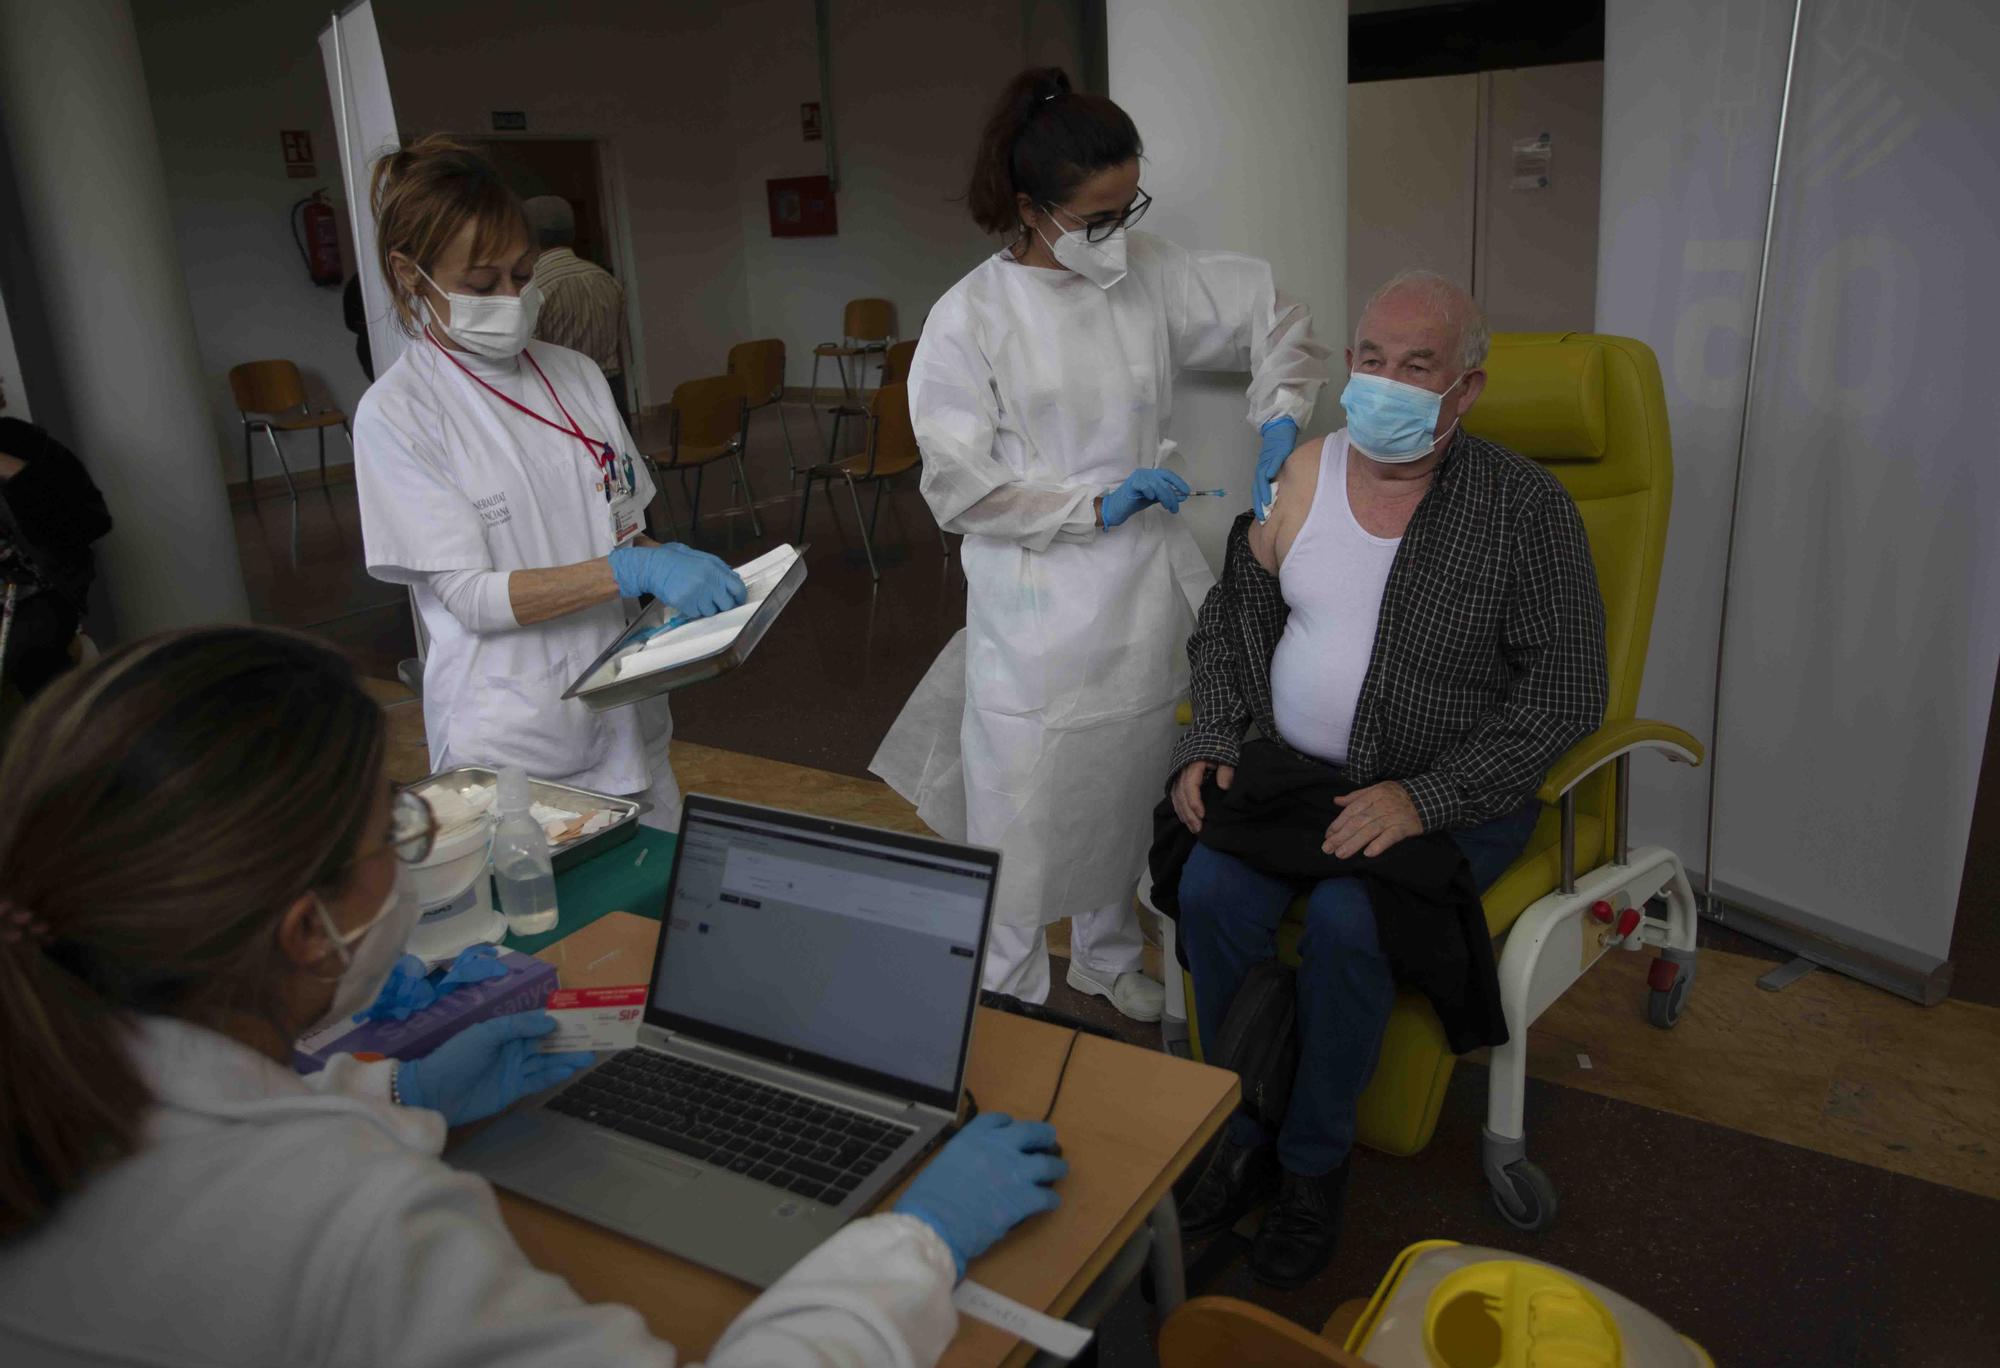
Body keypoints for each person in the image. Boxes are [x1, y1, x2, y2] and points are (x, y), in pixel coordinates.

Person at [0, 626, 1068, 1366]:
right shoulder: (357, 1223)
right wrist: (915, 1242)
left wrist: (389, 1094)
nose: (407, 862)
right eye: (394, 836)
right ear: (305, 931)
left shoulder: (47, 1057)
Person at [1161, 270, 1608, 1287]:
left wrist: (1424, 797)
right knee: (1209, 888)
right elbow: (1233, 621)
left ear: (1465, 390)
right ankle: (1241, 1133)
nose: (1385, 384)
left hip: (1447, 790)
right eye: (1370, 360)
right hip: (1295, 778)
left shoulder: (1523, 509)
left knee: (1349, 924)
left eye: (1418, 366)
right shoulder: (1306, 475)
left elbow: (1567, 691)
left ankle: (1312, 1169)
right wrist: (1213, 736)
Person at [871, 67, 1328, 1016]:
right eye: (1097, 216)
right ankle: (1007, 989)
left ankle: (1107, 952)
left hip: (1143, 591)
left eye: (1129, 206)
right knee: (1021, 806)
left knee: (1131, 786)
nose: (1117, 234)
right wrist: (1090, 503)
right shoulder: (970, 319)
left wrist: (1279, 414)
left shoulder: (1144, 269)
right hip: (1037, 606)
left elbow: (1270, 313)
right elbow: (961, 489)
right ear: (1031, 210)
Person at [353, 138, 739, 830]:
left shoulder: (574, 375)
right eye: (480, 284)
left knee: (658, 907)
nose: (510, 298)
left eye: (522, 275)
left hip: (625, 711)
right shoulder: (400, 413)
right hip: (516, 743)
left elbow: (621, 524)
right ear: (409, 274)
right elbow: (470, 596)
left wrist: (669, 586)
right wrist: (630, 568)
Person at [0, 377, 112, 726]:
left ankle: (72, 748)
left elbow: (90, 523)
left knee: (28, 653)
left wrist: (14, 473)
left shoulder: (30, 447)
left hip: (36, 588)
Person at [525, 195, 629, 416]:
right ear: (572, 233)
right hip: (611, 389)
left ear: (529, 236)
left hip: (564, 394)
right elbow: (619, 342)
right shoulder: (606, 279)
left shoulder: (534, 287)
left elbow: (528, 356)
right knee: (620, 450)